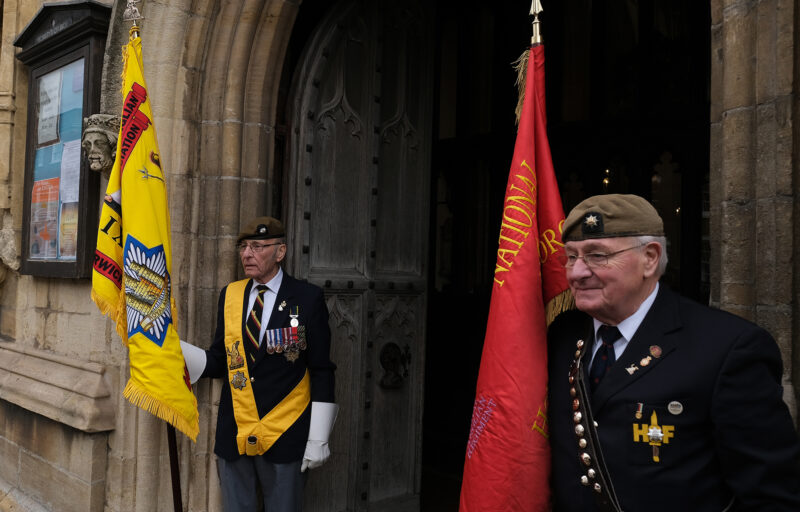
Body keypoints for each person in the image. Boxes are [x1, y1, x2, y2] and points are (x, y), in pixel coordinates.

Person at [547, 194, 800, 511]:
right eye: (571, 257)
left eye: (597, 256)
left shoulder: (727, 348)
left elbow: (771, 497)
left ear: (650, 258)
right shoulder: (562, 336)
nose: (576, 272)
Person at [181, 216, 337, 511]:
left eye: (257, 246)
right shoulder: (231, 295)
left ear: (280, 252)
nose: (247, 254)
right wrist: (175, 350)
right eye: (243, 247)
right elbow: (220, 359)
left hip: (286, 433)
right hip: (235, 431)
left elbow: (321, 370)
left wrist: (319, 437)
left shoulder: (307, 298)